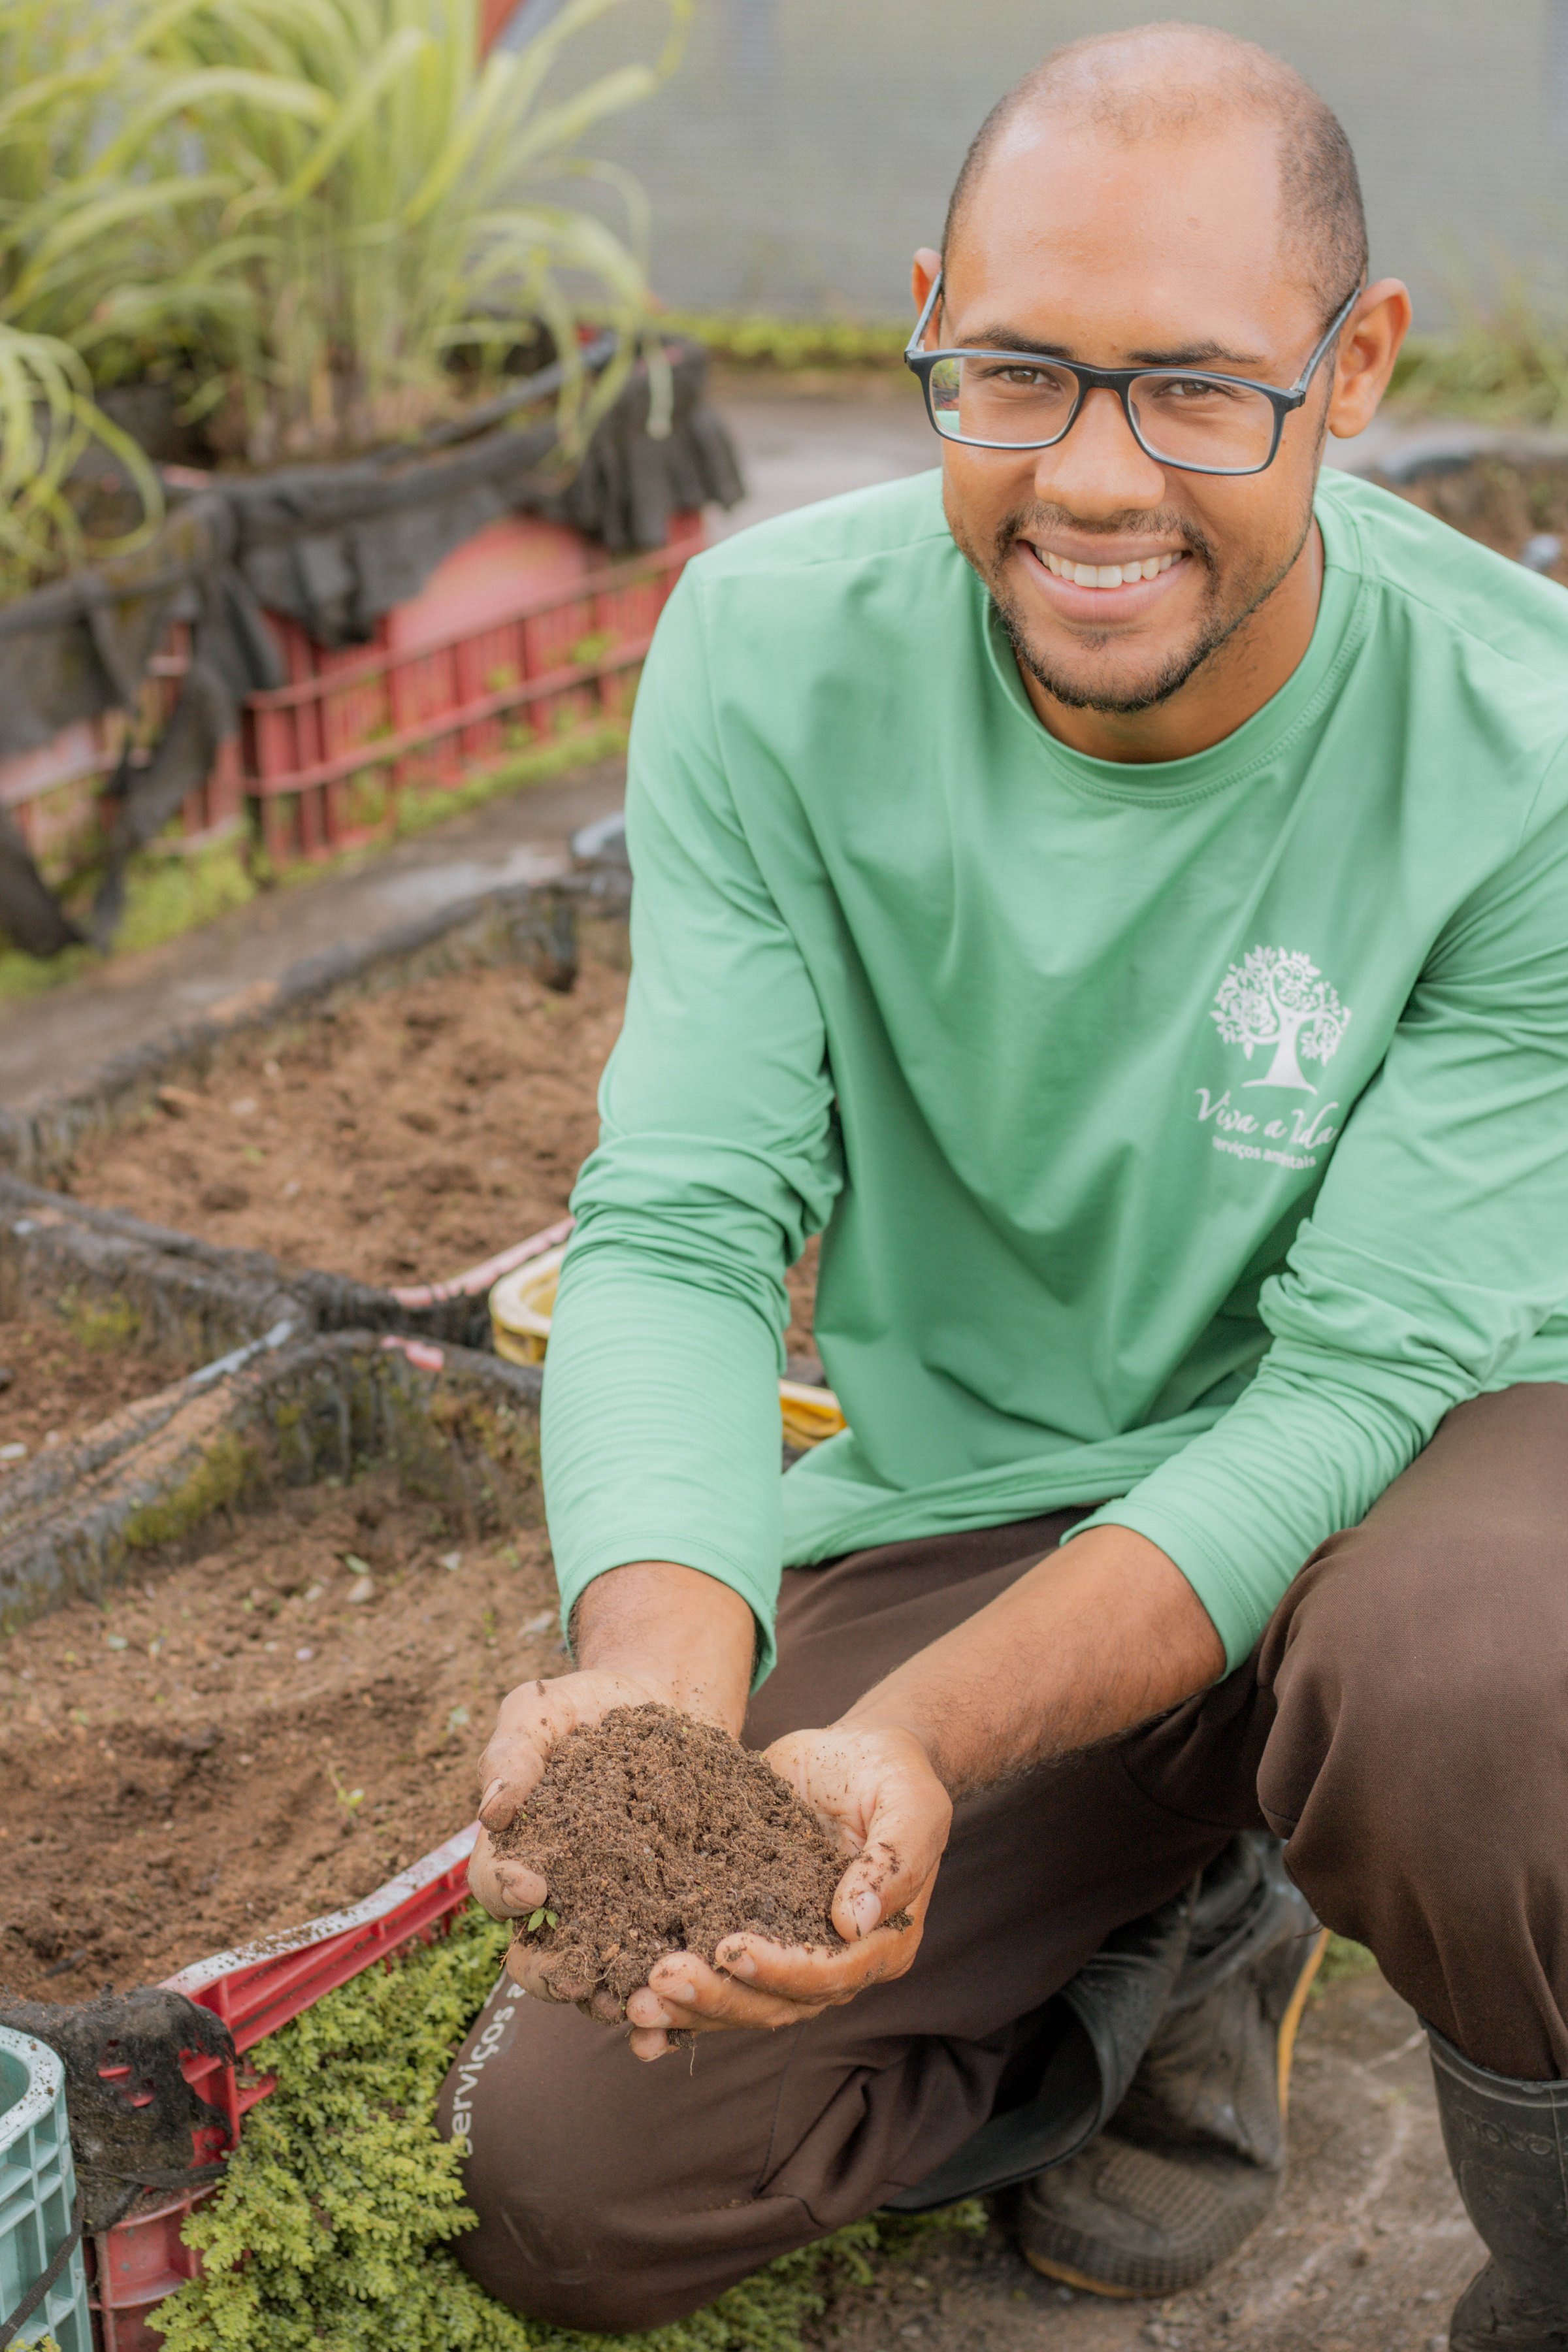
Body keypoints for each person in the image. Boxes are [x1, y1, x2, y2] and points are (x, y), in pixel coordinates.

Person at [443, 23, 1568, 2345]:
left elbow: (1357, 1384)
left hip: (1433, 1467)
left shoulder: (1521, 747)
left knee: (1480, 1693)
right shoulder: (771, 655)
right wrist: (664, 1705)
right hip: (1010, 1496)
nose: (1092, 480)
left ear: (1353, 371)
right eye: (1021, 374)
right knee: (577, 2188)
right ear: (929, 312)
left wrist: (927, 1740)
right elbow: (678, 1220)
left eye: (1192, 394)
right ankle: (1160, 1938)